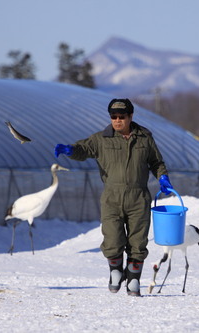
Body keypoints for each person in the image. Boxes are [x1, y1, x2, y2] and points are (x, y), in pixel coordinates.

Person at [54, 98, 174, 296]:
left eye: (121, 116)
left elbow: (156, 161)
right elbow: (83, 149)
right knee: (112, 238)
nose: (117, 120)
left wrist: (162, 177)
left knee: (138, 241)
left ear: (130, 116)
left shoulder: (144, 138)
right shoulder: (102, 139)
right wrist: (70, 150)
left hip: (138, 196)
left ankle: (134, 279)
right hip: (112, 196)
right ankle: (116, 271)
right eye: (113, 117)